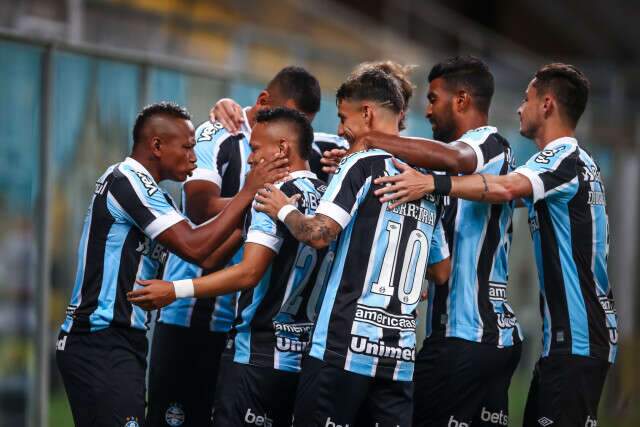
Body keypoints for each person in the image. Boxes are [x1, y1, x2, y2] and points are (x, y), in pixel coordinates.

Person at [375, 63, 617, 427]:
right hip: (566, 339)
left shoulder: (563, 157)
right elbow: (496, 195)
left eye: (526, 99)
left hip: (575, 336)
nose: (520, 108)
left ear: (547, 104)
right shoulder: (572, 165)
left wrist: (431, 183)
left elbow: (503, 188)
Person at [55, 102, 288, 427]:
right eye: (188, 147)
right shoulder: (126, 180)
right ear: (157, 145)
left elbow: (208, 257)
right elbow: (195, 246)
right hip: (98, 339)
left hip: (124, 341)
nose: (194, 156)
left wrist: (252, 218)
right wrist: (248, 192)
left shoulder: (157, 197)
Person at [328, 56, 522, 427]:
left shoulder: (488, 143)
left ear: (462, 100)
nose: (428, 111)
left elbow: (455, 159)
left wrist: (370, 138)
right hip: (476, 337)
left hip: (466, 336)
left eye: (434, 100)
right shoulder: (433, 168)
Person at [254, 69, 450, 427]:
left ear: (368, 114)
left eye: (343, 118)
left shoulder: (361, 164)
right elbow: (441, 270)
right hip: (398, 357)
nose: (341, 130)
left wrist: (282, 207)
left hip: (342, 348)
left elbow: (318, 233)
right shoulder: (423, 179)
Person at [129, 107, 332, 426]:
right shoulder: (329, 200)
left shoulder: (271, 197)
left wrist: (175, 289)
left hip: (257, 358)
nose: (250, 160)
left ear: (281, 149)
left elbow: (249, 271)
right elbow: (213, 257)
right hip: (304, 362)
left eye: (254, 150)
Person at [209, 60, 417, 182]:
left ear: (400, 113)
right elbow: (269, 138)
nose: (340, 130)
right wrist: (237, 110)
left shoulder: (419, 171)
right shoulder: (323, 150)